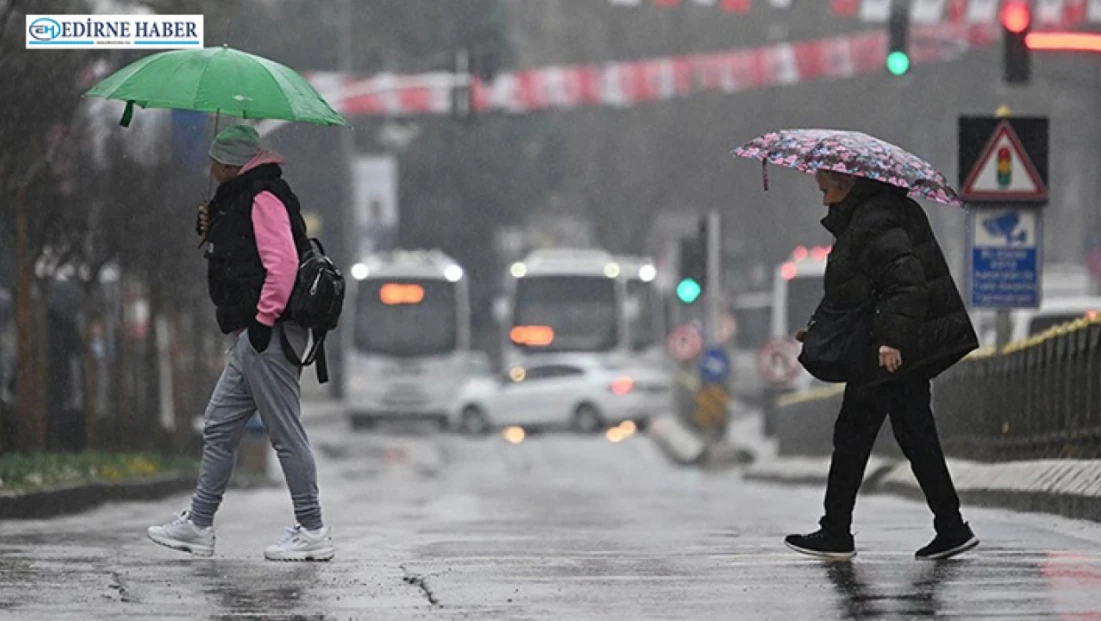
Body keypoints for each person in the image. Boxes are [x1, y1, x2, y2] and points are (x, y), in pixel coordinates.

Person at [147, 125, 334, 562]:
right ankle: (198, 525)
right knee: (219, 425)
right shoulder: (240, 198)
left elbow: (283, 266)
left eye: (214, 161)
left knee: (285, 432)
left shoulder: (263, 196)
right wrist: (211, 228)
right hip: (252, 334)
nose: (210, 169)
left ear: (231, 163)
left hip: (266, 332)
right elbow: (242, 254)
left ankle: (312, 529)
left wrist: (263, 321)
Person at [784, 170, 979, 561]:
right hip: (889, 350)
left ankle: (836, 532)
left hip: (886, 355)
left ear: (846, 186)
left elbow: (905, 282)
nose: (824, 201)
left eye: (826, 190)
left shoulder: (875, 220)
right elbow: (859, 289)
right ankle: (950, 526)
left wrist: (892, 339)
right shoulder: (873, 216)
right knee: (915, 437)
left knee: (854, 438)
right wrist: (822, 331)